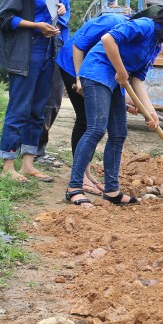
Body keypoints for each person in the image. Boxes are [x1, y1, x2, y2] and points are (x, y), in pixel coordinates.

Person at [65, 0, 163, 207]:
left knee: (118, 133)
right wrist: (121, 70)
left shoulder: (156, 44)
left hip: (116, 80)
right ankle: (74, 188)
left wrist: (149, 111)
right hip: (97, 71)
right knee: (96, 129)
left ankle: (111, 190)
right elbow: (108, 39)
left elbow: (138, 79)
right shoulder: (144, 26)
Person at [0, 0, 66, 183]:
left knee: (38, 109)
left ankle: (28, 163)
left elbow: (48, 9)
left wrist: (59, 9)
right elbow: (3, 18)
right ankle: (8, 166)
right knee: (19, 108)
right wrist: (36, 26)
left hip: (46, 52)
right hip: (26, 53)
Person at [35, 0, 92, 168]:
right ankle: (37, 151)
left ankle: (35, 149)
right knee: (50, 97)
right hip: (54, 38)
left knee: (52, 96)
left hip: (60, 36)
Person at [54, 12, 128, 194]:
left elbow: (121, 70)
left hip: (94, 69)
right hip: (73, 64)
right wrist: (79, 77)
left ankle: (86, 173)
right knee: (86, 120)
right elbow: (78, 45)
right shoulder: (113, 21)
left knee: (91, 121)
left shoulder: (135, 36)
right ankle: (82, 177)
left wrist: (127, 100)